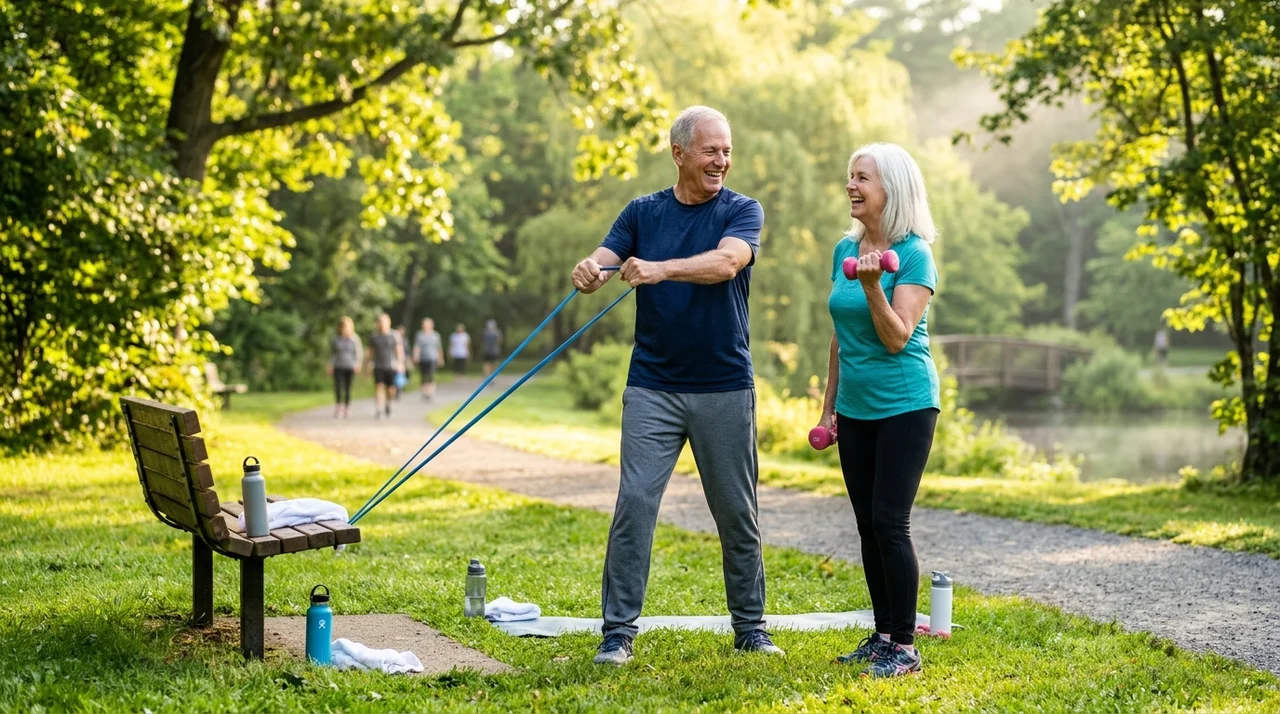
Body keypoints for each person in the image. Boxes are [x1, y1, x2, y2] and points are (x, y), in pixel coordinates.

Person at [571, 105, 780, 666]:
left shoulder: (742, 210)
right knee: (635, 503)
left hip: (724, 385)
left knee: (736, 511)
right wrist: (588, 270)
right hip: (653, 386)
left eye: (728, 150)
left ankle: (751, 627)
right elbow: (603, 259)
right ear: (679, 153)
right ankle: (617, 633)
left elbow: (728, 263)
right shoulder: (643, 211)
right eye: (711, 150)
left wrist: (661, 269)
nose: (722, 161)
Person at [814, 143, 940, 678]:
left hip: (906, 403)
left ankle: (906, 648)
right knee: (867, 523)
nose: (851, 186)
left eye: (862, 177)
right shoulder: (847, 247)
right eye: (850, 177)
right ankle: (883, 634)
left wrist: (871, 287)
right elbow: (840, 340)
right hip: (857, 407)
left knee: (891, 521)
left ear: (891, 188)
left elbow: (896, 337)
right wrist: (828, 410)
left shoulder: (913, 255)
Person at [366, 313, 404, 419]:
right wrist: (368, 365)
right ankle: (379, 408)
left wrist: (400, 363)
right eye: (380, 322)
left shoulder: (394, 335)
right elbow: (370, 352)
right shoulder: (374, 336)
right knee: (379, 387)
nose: (381, 324)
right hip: (378, 366)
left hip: (391, 366)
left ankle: (388, 404)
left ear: (389, 323)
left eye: (384, 322)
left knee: (390, 389)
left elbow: (399, 350)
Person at [327, 316, 363, 419]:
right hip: (338, 366)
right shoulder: (336, 339)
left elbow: (358, 353)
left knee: (348, 388)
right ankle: (338, 406)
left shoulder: (354, 339)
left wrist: (358, 364)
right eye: (342, 327)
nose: (344, 329)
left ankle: (347, 407)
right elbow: (333, 354)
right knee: (338, 387)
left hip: (350, 367)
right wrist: (330, 364)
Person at [413, 317, 444, 400]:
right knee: (423, 376)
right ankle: (424, 392)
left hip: (432, 358)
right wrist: (416, 356)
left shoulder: (435, 335)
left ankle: (430, 392)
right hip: (423, 358)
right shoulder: (419, 335)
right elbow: (417, 347)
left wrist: (440, 358)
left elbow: (438, 348)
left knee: (431, 376)